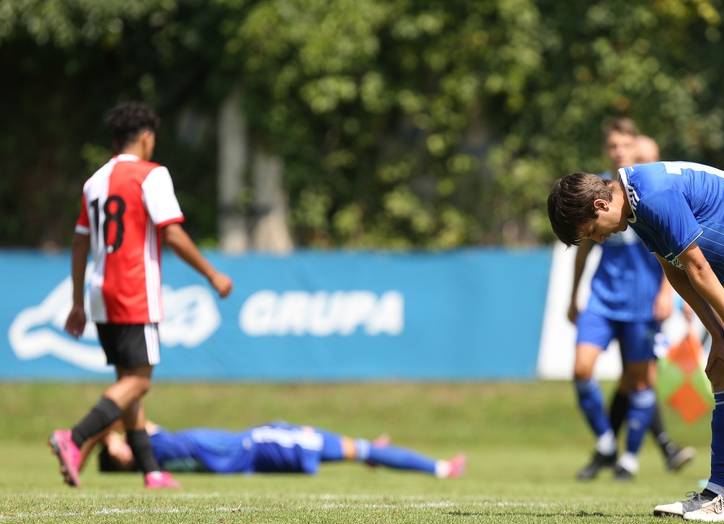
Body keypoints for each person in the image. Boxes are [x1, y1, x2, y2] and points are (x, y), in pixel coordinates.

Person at [548, 161, 724, 522]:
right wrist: (717, 335)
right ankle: (716, 491)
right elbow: (675, 272)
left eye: (593, 231)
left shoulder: (653, 195)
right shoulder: (635, 205)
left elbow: (698, 268)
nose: (599, 239)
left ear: (600, 206)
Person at [49, 102, 233, 489]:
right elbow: (172, 232)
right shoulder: (152, 175)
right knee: (140, 381)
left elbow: (80, 243)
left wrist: (78, 301)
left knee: (128, 383)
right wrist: (212, 273)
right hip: (135, 291)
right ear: (146, 138)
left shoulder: (94, 181)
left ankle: (151, 470)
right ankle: (75, 437)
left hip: (100, 294)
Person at [568, 120, 692, 482]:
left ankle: (631, 459)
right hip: (603, 298)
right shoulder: (596, 191)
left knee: (639, 381)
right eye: (613, 146)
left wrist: (667, 293)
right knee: (581, 369)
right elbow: (583, 246)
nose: (619, 151)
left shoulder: (646, 190)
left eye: (625, 145)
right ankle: (607, 442)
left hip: (642, 302)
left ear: (634, 147)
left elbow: (671, 247)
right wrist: (573, 293)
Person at [88, 420, 466, 479]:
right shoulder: (149, 450)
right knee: (359, 448)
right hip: (257, 444)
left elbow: (134, 419)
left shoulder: (156, 448)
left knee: (357, 449)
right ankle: (440, 468)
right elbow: (122, 411)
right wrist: (101, 437)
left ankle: (371, 453)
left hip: (255, 443)